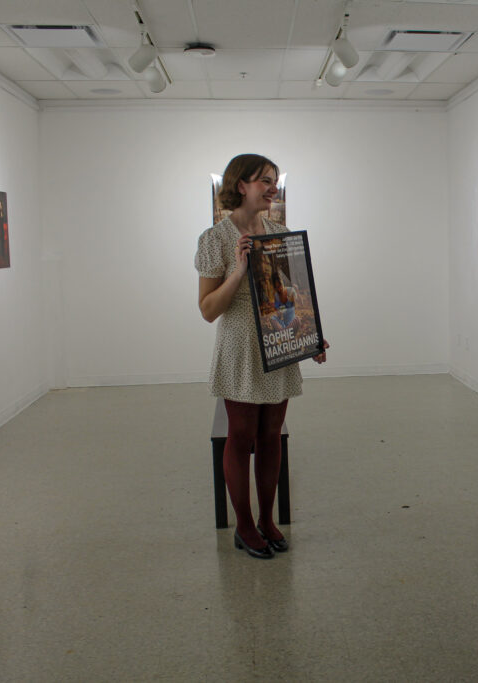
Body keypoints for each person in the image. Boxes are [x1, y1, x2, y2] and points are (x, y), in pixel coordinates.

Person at [195, 154, 328, 560]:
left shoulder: (279, 232)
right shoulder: (214, 239)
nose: (273, 188)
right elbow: (207, 309)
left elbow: (291, 294)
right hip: (241, 350)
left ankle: (268, 520)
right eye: (264, 181)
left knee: (272, 437)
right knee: (240, 437)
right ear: (241, 186)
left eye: (274, 181)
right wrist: (238, 271)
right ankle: (245, 526)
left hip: (279, 347)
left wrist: (312, 336)